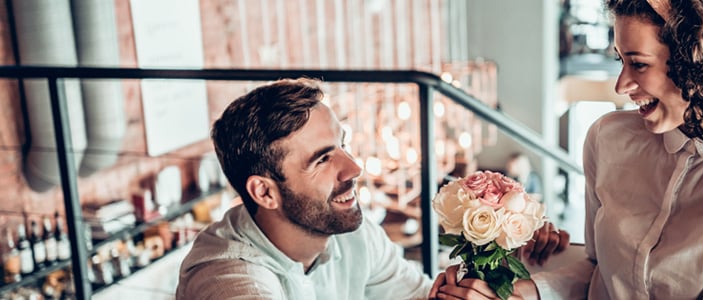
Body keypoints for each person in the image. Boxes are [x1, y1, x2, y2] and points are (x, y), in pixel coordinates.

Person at [431, 0, 703, 299]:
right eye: (620, 60)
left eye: (638, 64)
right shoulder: (609, 138)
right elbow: (599, 275)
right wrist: (527, 289)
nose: (622, 85)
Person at [176, 78, 567, 299]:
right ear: (264, 192)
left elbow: (413, 294)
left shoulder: (351, 233)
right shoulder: (226, 280)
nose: (355, 168)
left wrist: (492, 271)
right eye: (323, 159)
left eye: (343, 144)